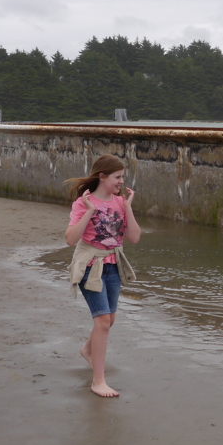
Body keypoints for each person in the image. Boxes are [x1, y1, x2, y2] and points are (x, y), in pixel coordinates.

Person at [64, 154, 141, 397]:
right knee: (103, 322)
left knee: (110, 320)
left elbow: (134, 237)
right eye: (117, 177)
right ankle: (98, 380)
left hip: (113, 265)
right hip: (90, 266)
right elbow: (70, 239)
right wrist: (89, 210)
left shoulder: (120, 202)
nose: (121, 181)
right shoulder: (82, 203)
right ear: (102, 176)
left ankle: (88, 350)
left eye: (122, 177)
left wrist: (128, 208)